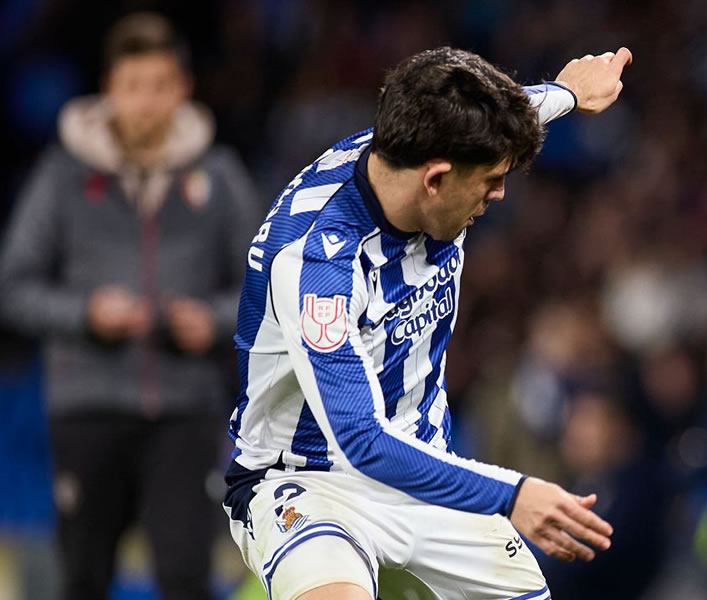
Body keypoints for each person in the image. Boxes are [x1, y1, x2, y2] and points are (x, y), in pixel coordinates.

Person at [223, 46, 631, 600]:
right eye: (490, 181)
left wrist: (568, 95)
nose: (498, 194)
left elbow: (501, 122)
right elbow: (361, 441)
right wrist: (513, 494)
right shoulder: (317, 263)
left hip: (423, 471)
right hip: (308, 480)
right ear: (435, 180)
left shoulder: (419, 151)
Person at [0, 12, 258, 600]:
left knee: (186, 578)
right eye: (133, 86)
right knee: (82, 578)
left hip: (185, 410)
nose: (147, 102)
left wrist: (212, 321)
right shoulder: (63, 177)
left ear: (183, 89)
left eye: (160, 86)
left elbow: (260, 289)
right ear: (109, 90)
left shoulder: (219, 177)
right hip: (87, 406)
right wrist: (87, 315)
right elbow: (14, 287)